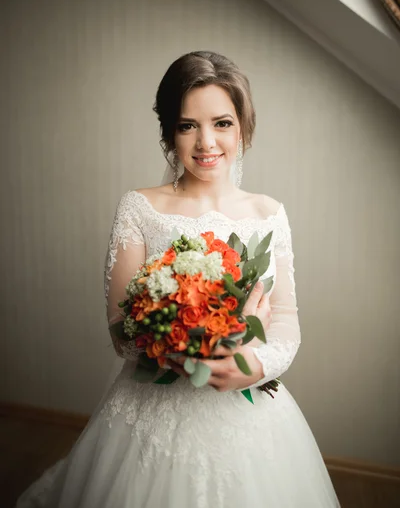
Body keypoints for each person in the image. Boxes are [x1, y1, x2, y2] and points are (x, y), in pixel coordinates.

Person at [16, 51, 340, 507]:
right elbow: (121, 332)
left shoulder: (269, 214)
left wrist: (251, 365)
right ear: (170, 132)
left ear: (243, 126)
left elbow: (285, 318)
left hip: (248, 400)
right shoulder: (140, 208)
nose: (207, 142)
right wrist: (194, 347)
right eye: (188, 125)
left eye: (222, 123)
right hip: (151, 408)